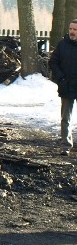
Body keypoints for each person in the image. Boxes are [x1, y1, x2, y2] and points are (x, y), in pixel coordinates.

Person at [50, 19, 77, 155]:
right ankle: (65, 145)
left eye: (75, 29)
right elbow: (53, 62)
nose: (72, 31)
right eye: (71, 28)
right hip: (66, 86)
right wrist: (61, 78)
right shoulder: (62, 45)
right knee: (65, 117)